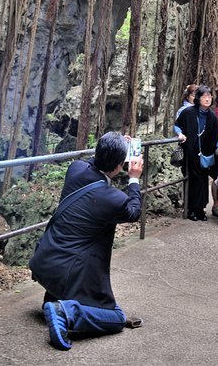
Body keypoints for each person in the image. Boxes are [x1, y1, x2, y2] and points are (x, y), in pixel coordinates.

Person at [29, 132, 143, 350]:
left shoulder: (75, 169)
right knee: (116, 318)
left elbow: (95, 164)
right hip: (70, 271)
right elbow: (133, 211)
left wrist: (115, 146)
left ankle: (54, 302)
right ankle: (66, 312)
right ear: (120, 165)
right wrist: (134, 178)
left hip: (45, 262)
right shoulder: (114, 199)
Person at [175, 84, 218, 221]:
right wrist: (180, 134)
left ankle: (200, 209)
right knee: (192, 180)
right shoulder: (188, 112)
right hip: (190, 153)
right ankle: (190, 210)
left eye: (209, 96)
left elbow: (217, 136)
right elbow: (177, 125)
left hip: (205, 154)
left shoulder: (212, 116)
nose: (207, 99)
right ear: (198, 98)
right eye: (204, 96)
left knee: (202, 180)